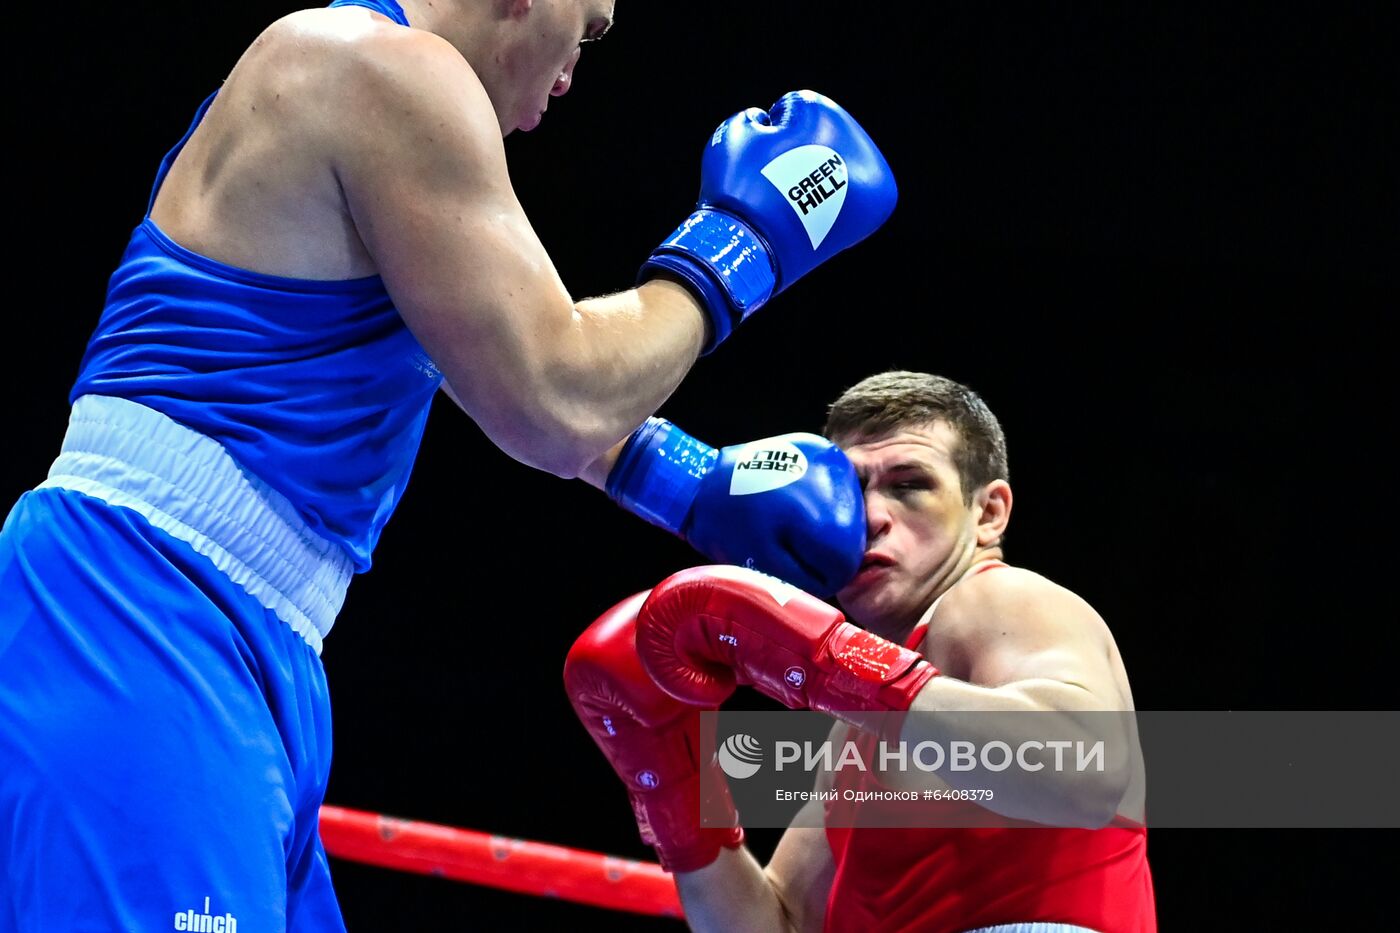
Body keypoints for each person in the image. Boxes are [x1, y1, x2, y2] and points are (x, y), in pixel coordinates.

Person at [0, 1, 897, 929]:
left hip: (231, 630)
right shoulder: (375, 65)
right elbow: (555, 396)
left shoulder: (353, 80)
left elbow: (499, 373)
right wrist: (744, 243)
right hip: (143, 605)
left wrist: (689, 483)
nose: (572, 74)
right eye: (586, 32)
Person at [567, 370, 1156, 932]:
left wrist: (830, 665)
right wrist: (672, 788)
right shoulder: (862, 727)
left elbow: (1086, 769)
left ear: (988, 512)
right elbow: (776, 926)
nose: (869, 517)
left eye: (910, 485)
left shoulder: (1000, 600)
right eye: (850, 491)